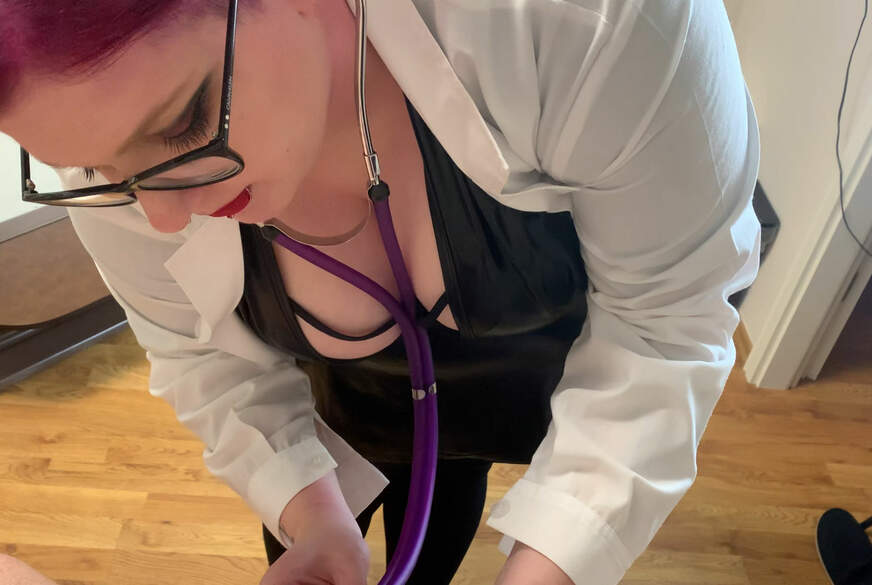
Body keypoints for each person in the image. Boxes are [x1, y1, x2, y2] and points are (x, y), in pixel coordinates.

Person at [0, 1, 762, 584]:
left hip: (518, 399)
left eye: (183, 121)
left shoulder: (584, 22)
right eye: (99, 172)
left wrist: (552, 561)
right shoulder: (116, 146)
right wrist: (316, 520)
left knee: (449, 487)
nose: (161, 216)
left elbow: (664, 323)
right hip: (346, 411)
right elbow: (200, 355)